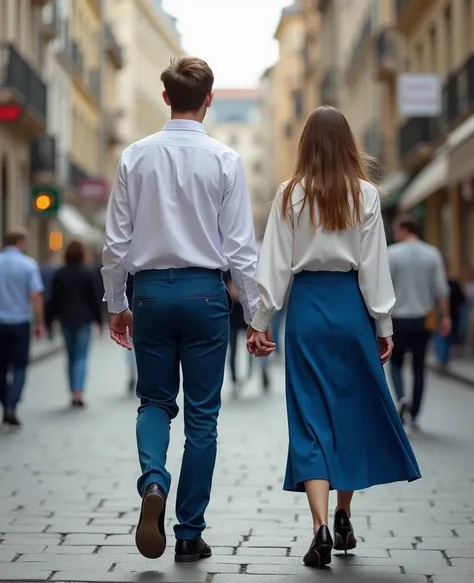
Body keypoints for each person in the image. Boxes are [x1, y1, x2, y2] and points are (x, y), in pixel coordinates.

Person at [102, 56, 273, 562]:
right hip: (205, 295)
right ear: (209, 100)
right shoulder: (225, 160)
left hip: (150, 292)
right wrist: (258, 315)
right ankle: (189, 532)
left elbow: (115, 243)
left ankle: (153, 480)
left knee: (154, 402)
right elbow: (241, 248)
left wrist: (117, 304)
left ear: (165, 98)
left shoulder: (135, 156)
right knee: (203, 418)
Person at [247, 106, 421, 569]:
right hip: (350, 309)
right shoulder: (365, 195)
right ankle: (344, 514)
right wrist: (383, 326)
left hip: (306, 310)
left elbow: (275, 265)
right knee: (351, 413)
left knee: (309, 418)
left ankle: (320, 527)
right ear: (348, 144)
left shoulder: (288, 195)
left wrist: (261, 321)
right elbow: (374, 267)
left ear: (305, 144)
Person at [388, 216, 450, 429]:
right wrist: (446, 317)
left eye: (396, 230)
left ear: (404, 230)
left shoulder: (392, 253)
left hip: (398, 319)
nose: (395, 234)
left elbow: (383, 287)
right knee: (418, 366)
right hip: (424, 319)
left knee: (395, 363)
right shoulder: (432, 253)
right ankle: (414, 414)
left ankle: (401, 398)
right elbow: (441, 288)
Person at [0, 230, 45, 426]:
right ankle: (12, 404)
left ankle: (5, 403)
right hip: (20, 322)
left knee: (0, 367)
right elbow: (36, 295)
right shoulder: (28, 264)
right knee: (19, 366)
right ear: (19, 243)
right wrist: (40, 322)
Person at [50, 241, 103, 407]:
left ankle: (72, 390)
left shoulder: (59, 274)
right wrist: (99, 320)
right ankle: (78, 393)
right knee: (81, 356)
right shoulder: (87, 273)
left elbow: (53, 300)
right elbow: (94, 298)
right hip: (84, 320)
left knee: (71, 356)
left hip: (66, 320)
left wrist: (49, 321)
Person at [435, 259, 465, 372]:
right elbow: (462, 299)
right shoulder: (454, 283)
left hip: (442, 316)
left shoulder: (439, 284)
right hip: (453, 315)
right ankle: (444, 361)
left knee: (441, 339)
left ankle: (442, 361)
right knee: (446, 339)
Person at [40, 251, 59, 340]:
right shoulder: (55, 269)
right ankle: (50, 330)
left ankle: (47, 328)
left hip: (44, 294)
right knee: (51, 314)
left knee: (46, 313)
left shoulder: (41, 268)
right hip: (52, 295)